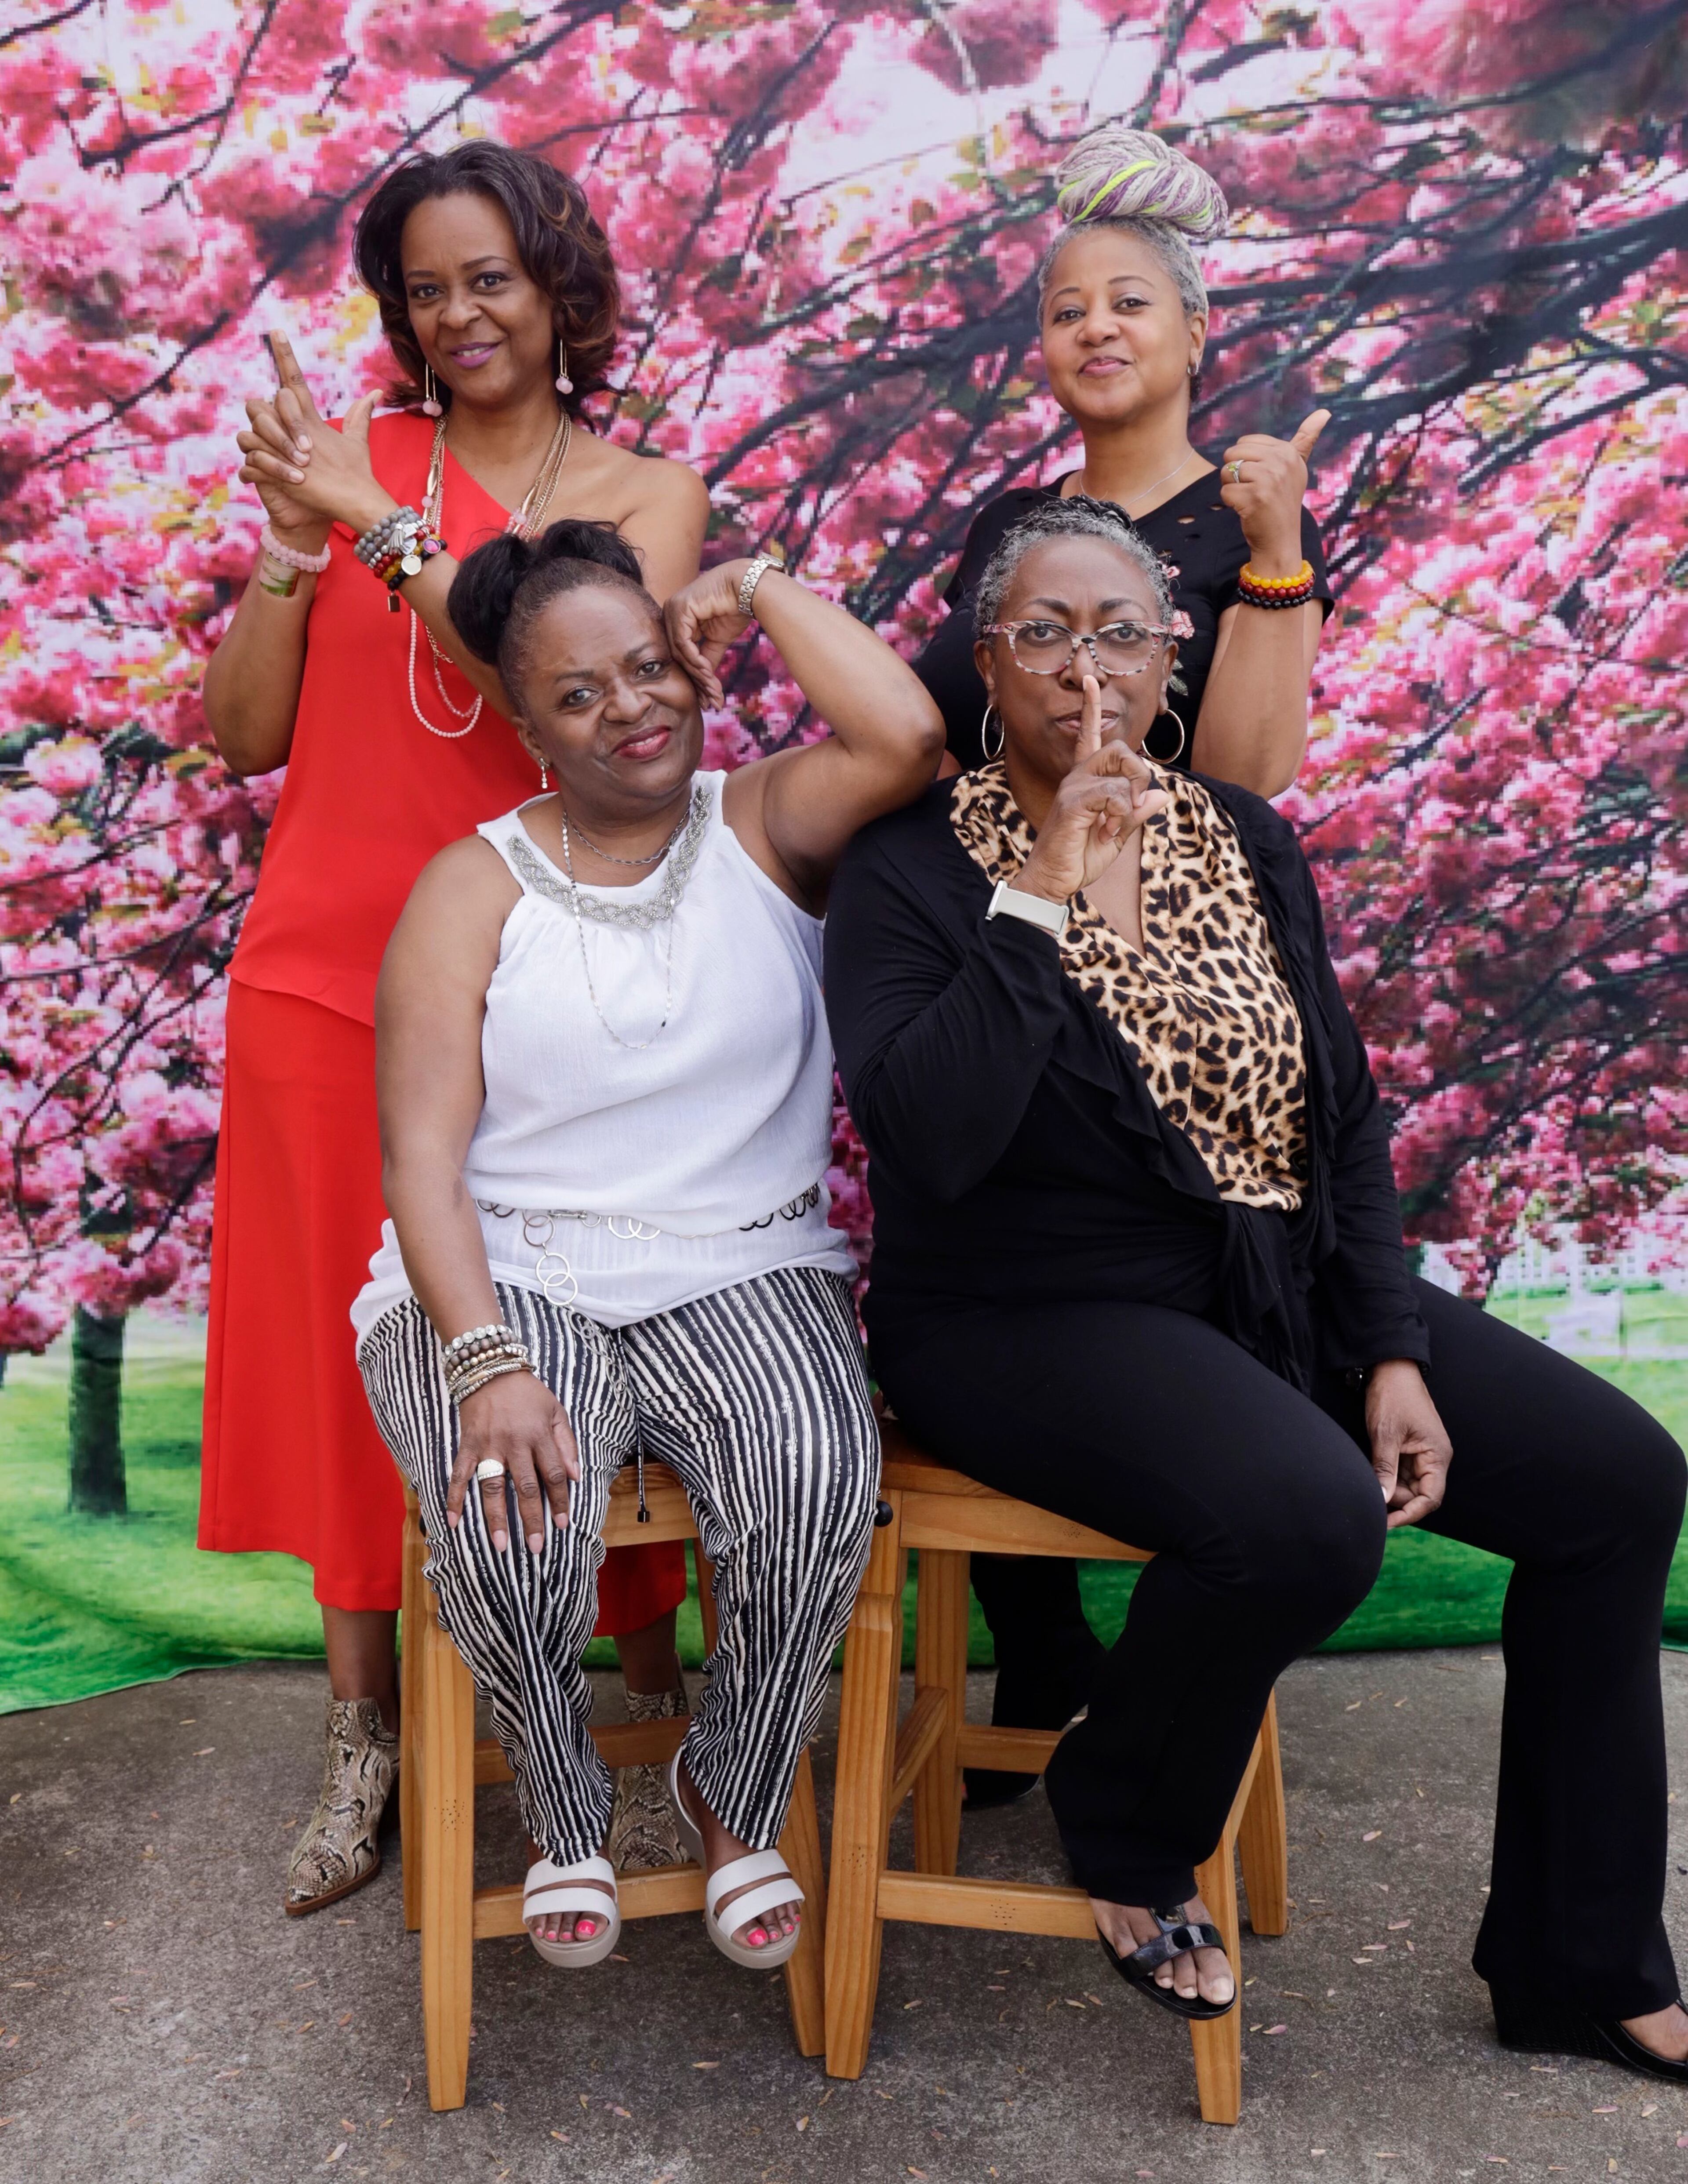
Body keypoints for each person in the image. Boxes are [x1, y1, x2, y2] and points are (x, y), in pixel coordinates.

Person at [824, 497, 1688, 2075]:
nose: (1090, 666)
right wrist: (1048, 891)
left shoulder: (1243, 836)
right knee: (1304, 1514)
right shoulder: (912, 871)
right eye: (1047, 632)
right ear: (985, 657)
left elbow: (1340, 1116)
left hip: (1265, 1287)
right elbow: (930, 1140)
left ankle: (1578, 1956)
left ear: (1173, 658)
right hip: (1023, 1312)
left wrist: (1391, 1346)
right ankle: (1128, 1822)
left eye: (1126, 632)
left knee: (1621, 1482)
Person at [198, 142, 710, 1916]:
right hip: (320, 977)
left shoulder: (649, 487)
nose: (458, 313)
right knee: (355, 1382)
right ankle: (365, 1736)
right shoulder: (349, 464)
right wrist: (287, 544)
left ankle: (644, 1712)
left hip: (546, 979)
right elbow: (240, 736)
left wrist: (382, 523)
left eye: (490, 275)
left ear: (560, 282)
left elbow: (569, 692)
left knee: (591, 1329)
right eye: (424, 286)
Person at [354, 514, 942, 1965]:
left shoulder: (765, 825)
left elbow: (910, 732)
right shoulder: (469, 886)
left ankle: (729, 1788)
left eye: (649, 664)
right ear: (526, 722)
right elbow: (420, 1157)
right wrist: (485, 1354)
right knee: (505, 1509)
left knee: (818, 1478)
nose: (632, 708)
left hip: (747, 1262)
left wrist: (746, 588)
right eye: (579, 692)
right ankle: (568, 1805)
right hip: (517, 1269)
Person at [911, 126, 1335, 1801]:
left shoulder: (1245, 516)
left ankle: (1170, 1673)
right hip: (1007, 905)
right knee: (988, 1222)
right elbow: (944, 737)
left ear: (1194, 330)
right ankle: (1046, 1648)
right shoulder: (1015, 532)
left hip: (1185, 928)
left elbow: (1246, 778)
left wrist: (1283, 547)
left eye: (1132, 302)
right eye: (1069, 307)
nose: (1098, 328)